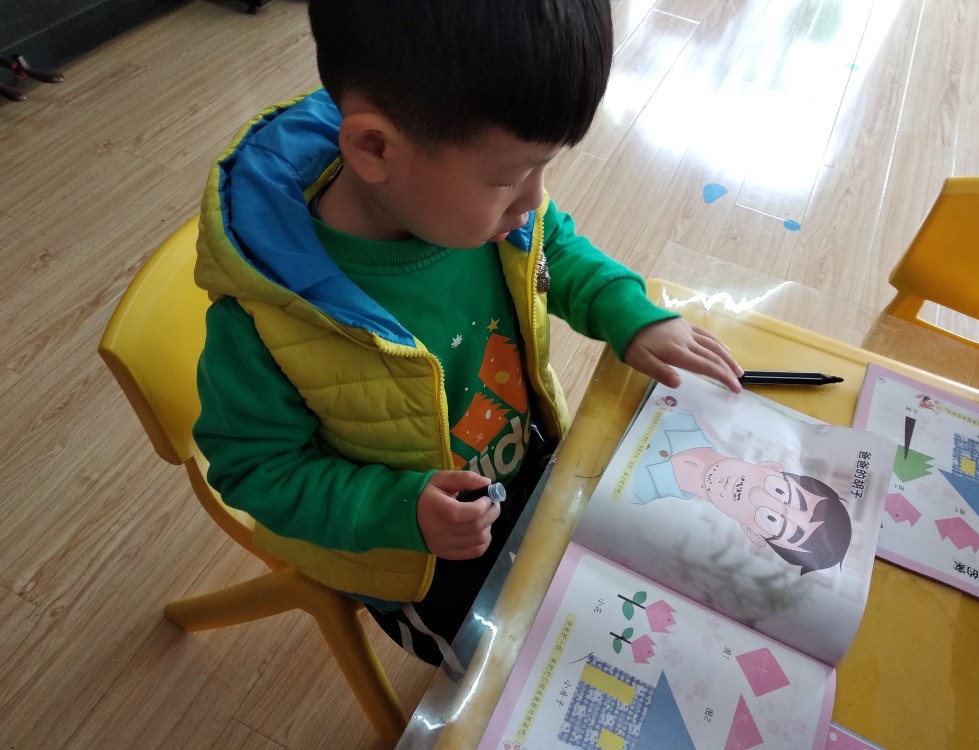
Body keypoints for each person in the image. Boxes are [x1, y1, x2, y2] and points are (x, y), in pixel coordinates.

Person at [192, 0, 743, 667]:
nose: (534, 199)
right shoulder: (267, 317)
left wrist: (630, 313)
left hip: (525, 458)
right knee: (514, 673)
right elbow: (255, 470)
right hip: (416, 554)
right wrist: (400, 511)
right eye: (511, 177)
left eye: (543, 169)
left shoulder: (472, 201)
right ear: (374, 148)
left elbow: (552, 246)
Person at [630, 409, 852, 575]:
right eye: (780, 491)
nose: (755, 494)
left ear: (752, 533)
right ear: (772, 466)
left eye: (772, 520)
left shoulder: (636, 498)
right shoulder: (699, 411)